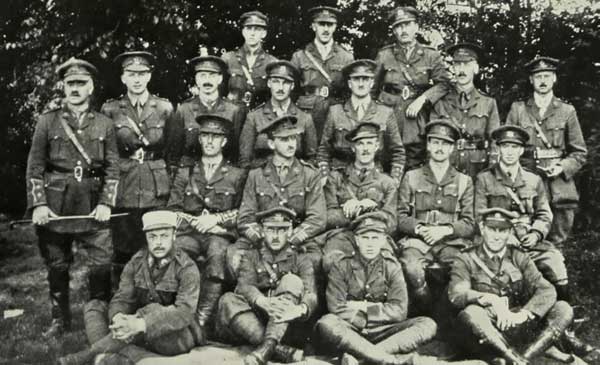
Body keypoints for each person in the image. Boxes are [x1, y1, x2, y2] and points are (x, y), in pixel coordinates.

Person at [475, 125, 599, 362]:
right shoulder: (484, 179)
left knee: (556, 263)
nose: (509, 152)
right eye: (505, 147)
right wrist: (507, 237)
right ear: (498, 149)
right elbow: (479, 214)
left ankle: (566, 331)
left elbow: (544, 214)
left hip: (530, 241)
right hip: (501, 243)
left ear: (522, 150)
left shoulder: (533, 180)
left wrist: (536, 233)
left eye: (515, 147)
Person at [26, 57, 119, 337]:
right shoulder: (47, 122)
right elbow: (35, 167)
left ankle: (98, 316)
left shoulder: (104, 123)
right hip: (56, 205)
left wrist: (106, 202)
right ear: (63, 87)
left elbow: (113, 167)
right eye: (70, 84)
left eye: (81, 83)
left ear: (91, 87)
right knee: (57, 264)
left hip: (92, 205)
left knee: (102, 263)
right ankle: (59, 319)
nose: (75, 88)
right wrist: (39, 204)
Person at [58, 211, 201, 365]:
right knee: (94, 307)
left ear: (174, 236)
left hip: (175, 336)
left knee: (152, 309)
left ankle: (93, 354)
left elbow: (184, 312)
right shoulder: (137, 261)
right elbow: (123, 297)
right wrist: (118, 317)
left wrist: (141, 324)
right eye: (153, 237)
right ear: (146, 238)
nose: (158, 242)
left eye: (164, 236)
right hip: (134, 331)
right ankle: (120, 356)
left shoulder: (187, 267)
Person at [317, 212, 453, 365]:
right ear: (357, 240)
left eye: (375, 238)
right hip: (352, 328)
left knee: (427, 324)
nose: (370, 244)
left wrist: (366, 308)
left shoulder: (392, 266)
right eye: (365, 238)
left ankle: (362, 358)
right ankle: (388, 360)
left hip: (385, 330)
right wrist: (375, 311)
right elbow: (336, 307)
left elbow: (400, 311)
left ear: (383, 240)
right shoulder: (341, 265)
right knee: (327, 323)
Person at [448, 207, 574, 364]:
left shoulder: (518, 256)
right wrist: (489, 298)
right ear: (482, 228)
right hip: (488, 328)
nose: (496, 236)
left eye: (502, 231)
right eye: (492, 229)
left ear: (509, 233)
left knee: (563, 308)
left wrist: (524, 314)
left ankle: (523, 358)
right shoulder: (466, 258)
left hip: (517, 324)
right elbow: (457, 294)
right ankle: (511, 356)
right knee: (472, 313)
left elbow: (546, 289)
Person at [167, 114, 246, 341]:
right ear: (200, 140)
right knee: (177, 252)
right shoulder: (186, 172)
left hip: (219, 235)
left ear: (224, 142)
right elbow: (172, 209)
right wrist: (193, 221)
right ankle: (179, 317)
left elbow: (244, 211)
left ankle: (202, 321)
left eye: (216, 137)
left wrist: (216, 221)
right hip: (190, 233)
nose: (210, 141)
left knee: (217, 254)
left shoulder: (236, 175)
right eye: (205, 136)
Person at [101, 51, 174, 290]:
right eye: (131, 74)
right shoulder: (111, 110)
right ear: (123, 78)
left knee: (157, 242)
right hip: (126, 183)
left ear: (149, 76)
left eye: (142, 74)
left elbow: (172, 150)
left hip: (155, 184)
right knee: (123, 246)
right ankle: (123, 296)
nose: (137, 79)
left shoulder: (164, 108)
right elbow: (107, 153)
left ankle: (158, 293)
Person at [227, 115, 326, 278]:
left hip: (297, 237)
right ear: (272, 144)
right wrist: (264, 238)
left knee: (314, 260)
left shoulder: (309, 174)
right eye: (284, 139)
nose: (291, 144)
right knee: (234, 256)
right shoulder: (256, 175)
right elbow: (245, 218)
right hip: (262, 237)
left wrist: (290, 239)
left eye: (293, 138)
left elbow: (318, 218)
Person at [216, 207, 318, 365]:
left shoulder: (301, 259)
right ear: (262, 231)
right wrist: (261, 301)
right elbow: (245, 286)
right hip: (257, 319)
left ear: (290, 231)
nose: (276, 236)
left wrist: (299, 309)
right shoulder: (251, 256)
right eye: (271, 230)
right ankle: (278, 350)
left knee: (292, 280)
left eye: (282, 230)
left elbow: (311, 294)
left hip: (288, 323)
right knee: (227, 300)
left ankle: (266, 348)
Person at [505, 56, 587, 246]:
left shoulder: (567, 111)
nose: (543, 80)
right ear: (531, 80)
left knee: (557, 240)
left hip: (558, 184)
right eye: (538, 76)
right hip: (526, 178)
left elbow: (580, 152)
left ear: (554, 79)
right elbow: (506, 146)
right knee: (524, 234)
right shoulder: (518, 110)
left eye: (547, 76)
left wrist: (562, 167)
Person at [397, 120, 475, 312]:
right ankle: (425, 310)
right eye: (436, 142)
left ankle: (449, 317)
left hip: (450, 243)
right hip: (418, 243)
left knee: (462, 268)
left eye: (445, 143)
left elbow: (469, 223)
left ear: (452, 149)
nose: (440, 148)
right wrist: (420, 228)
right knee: (411, 267)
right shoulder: (412, 176)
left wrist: (446, 230)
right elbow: (400, 216)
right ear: (428, 145)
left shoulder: (464, 181)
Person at [374, 6, 450, 171]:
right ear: (394, 30)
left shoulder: (431, 55)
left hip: (415, 122)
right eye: (399, 26)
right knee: (386, 165)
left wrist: (422, 99)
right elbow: (373, 89)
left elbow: (443, 84)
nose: (403, 30)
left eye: (407, 24)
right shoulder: (384, 55)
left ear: (416, 27)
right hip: (389, 117)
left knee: (413, 167)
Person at [317, 122, 398, 267]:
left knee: (387, 264)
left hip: (376, 236)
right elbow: (327, 218)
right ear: (353, 148)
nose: (365, 149)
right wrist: (347, 208)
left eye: (369, 143)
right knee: (331, 262)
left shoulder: (387, 183)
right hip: (342, 236)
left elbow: (391, 224)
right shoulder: (336, 178)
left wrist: (371, 209)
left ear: (377, 146)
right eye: (360, 144)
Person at [317, 59, 406, 183]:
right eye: (356, 79)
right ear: (349, 83)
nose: (361, 84)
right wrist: (325, 178)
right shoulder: (335, 112)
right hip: (341, 179)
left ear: (372, 83)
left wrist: (393, 181)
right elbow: (324, 150)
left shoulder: (385, 112)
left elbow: (398, 152)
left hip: (375, 180)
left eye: (365, 79)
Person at [431, 43, 500, 178]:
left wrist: (491, 173)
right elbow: (432, 140)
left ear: (476, 68)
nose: (462, 70)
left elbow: (495, 141)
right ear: (452, 68)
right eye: (457, 64)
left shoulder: (488, 103)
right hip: (447, 169)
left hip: (478, 169)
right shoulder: (440, 102)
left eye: (467, 64)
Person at [167, 51, 246, 167]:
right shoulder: (183, 110)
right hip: (190, 175)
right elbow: (173, 156)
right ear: (196, 80)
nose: (207, 81)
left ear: (220, 79)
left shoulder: (233, 111)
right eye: (202, 76)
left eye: (212, 75)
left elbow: (237, 154)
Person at [239, 60, 318, 169]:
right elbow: (245, 160)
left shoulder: (305, 118)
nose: (280, 88)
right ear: (269, 83)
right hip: (262, 179)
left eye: (285, 83)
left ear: (292, 85)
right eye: (276, 81)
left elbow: (312, 159)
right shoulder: (254, 117)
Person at [291, 5, 354, 140]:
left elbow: (350, 92)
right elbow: (292, 91)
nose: (326, 29)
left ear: (335, 27)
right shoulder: (300, 56)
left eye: (330, 25)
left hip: (334, 111)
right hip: (306, 112)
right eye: (321, 24)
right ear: (314, 26)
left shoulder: (346, 57)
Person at [222, 11, 278, 110]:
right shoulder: (228, 59)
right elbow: (219, 93)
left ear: (263, 33)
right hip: (232, 116)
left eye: (257, 29)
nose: (252, 33)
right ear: (243, 32)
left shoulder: (272, 63)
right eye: (248, 28)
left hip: (259, 119)